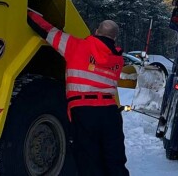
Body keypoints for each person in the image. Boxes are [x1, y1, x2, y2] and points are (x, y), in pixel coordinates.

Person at [27, 10, 129, 176]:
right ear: (114, 38)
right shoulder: (118, 59)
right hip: (110, 112)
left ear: (96, 31)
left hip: (84, 111)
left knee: (88, 158)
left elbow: (48, 31)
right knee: (115, 158)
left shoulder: (77, 46)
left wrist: (27, 11)